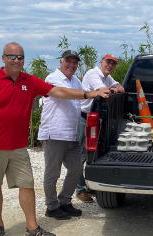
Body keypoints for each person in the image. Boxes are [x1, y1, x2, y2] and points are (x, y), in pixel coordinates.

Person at [0, 42, 103, 236]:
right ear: (3, 58)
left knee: (27, 186)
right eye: (12, 56)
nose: (16, 60)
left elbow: (57, 92)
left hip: (18, 147)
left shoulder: (30, 81)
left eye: (20, 57)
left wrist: (87, 94)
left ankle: (32, 227)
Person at [38, 50, 110, 220]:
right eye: (68, 61)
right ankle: (51, 206)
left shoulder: (76, 81)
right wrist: (90, 93)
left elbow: (86, 97)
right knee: (52, 172)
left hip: (72, 134)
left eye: (75, 62)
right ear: (61, 61)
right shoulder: (52, 78)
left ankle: (65, 201)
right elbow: (64, 93)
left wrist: (110, 90)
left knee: (77, 169)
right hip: (54, 133)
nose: (72, 65)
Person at [76, 54, 124, 203]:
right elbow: (103, 90)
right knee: (81, 155)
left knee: (93, 153)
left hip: (96, 119)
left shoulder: (106, 77)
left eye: (113, 64)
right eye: (108, 62)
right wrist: (111, 89)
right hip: (84, 118)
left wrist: (116, 88)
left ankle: (89, 186)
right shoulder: (93, 74)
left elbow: (119, 87)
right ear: (101, 62)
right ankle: (79, 189)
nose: (110, 66)